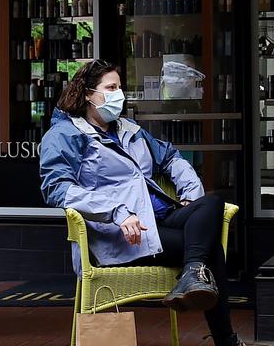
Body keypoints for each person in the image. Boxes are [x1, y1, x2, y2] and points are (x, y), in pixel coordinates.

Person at [39, 60, 246, 346]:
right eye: (110, 88)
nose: (118, 94)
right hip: (120, 234)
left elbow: (171, 157)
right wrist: (117, 213)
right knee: (210, 249)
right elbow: (57, 189)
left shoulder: (128, 129)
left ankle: (192, 273)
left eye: (119, 87)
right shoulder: (65, 135)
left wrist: (189, 194)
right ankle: (225, 337)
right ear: (88, 94)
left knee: (211, 204)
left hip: (159, 219)